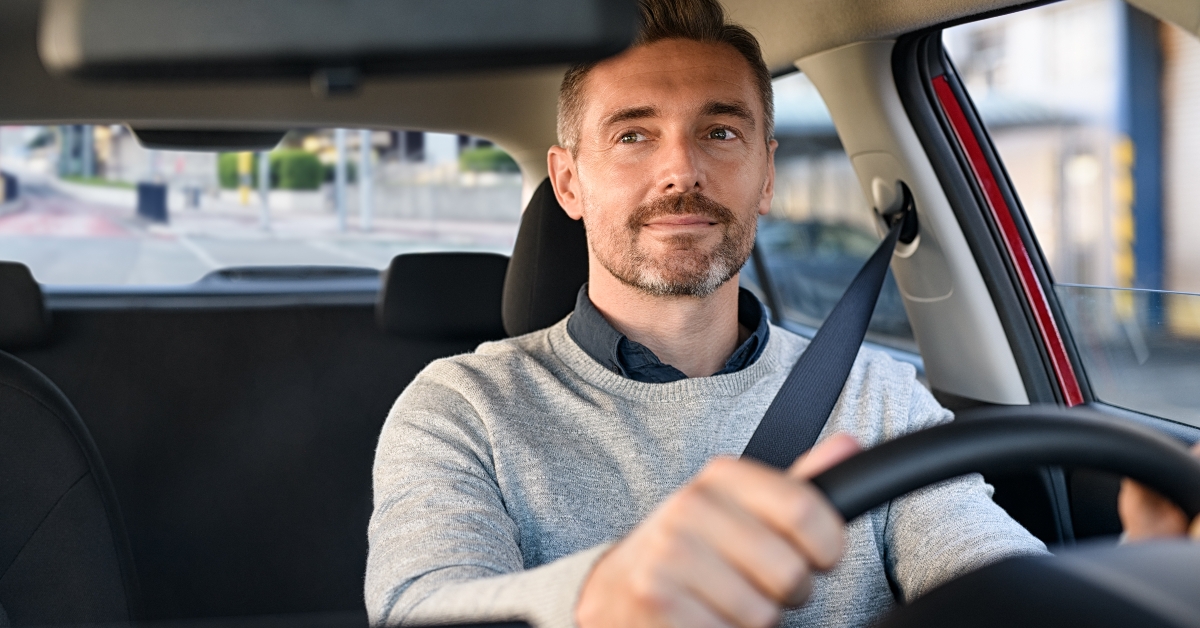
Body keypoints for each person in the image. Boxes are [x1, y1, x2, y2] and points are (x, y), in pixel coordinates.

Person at [364, 1, 1047, 626]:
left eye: (719, 130)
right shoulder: (462, 407)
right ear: (570, 182)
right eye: (633, 136)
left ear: (766, 175)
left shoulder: (878, 396)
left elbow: (992, 577)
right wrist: (600, 597)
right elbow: (422, 607)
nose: (681, 169)